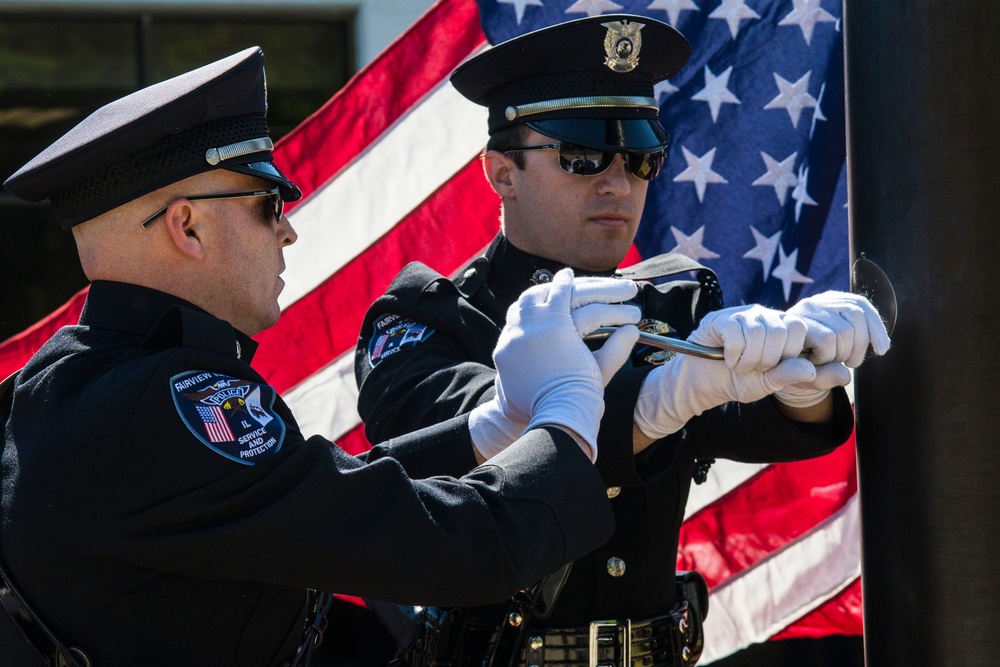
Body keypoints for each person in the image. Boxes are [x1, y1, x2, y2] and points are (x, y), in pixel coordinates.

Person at [0, 46, 648, 667]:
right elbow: (449, 549)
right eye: (267, 204)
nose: (288, 228)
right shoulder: (165, 404)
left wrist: (488, 429)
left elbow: (315, 497)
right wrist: (567, 419)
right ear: (188, 226)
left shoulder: (71, 381)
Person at [353, 14, 891, 667]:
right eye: (580, 156)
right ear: (501, 173)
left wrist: (804, 376)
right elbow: (476, 430)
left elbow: (759, 422)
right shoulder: (424, 318)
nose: (616, 184)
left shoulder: (672, 300)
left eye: (640, 156)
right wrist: (660, 396)